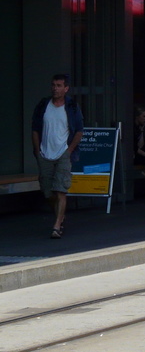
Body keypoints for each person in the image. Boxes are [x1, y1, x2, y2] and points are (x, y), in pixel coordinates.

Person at [31, 74, 84, 239]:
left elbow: (79, 131)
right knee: (48, 192)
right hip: (45, 153)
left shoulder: (72, 107)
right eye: (53, 85)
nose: (55, 88)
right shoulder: (43, 105)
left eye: (59, 85)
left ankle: (56, 225)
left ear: (66, 88)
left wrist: (69, 151)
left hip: (63, 153)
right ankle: (60, 216)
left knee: (61, 190)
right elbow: (35, 129)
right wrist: (37, 150)